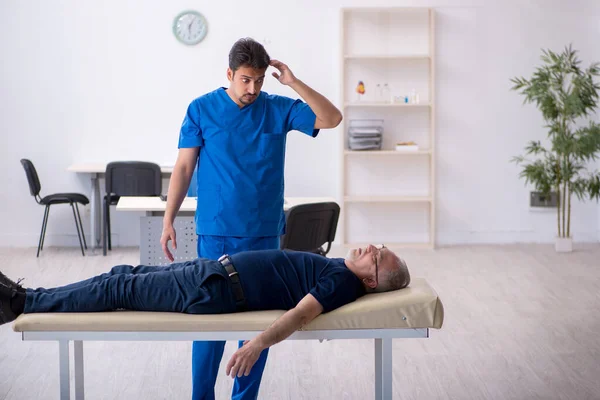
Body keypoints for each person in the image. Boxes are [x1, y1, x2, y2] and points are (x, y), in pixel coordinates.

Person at [160, 37, 343, 399]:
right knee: (208, 321)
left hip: (263, 233)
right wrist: (168, 220)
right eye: (245, 80)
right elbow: (183, 167)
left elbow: (332, 118)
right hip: (216, 230)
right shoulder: (201, 109)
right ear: (229, 74)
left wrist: (293, 82)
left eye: (258, 80)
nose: (252, 88)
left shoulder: (277, 107)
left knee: (258, 327)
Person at [0, 245, 410, 379]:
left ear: (371, 282)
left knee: (117, 287)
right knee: (122, 275)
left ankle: (21, 302)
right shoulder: (343, 269)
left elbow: (302, 315)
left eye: (377, 257)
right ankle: (29, 295)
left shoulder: (342, 283)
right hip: (214, 272)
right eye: (378, 246)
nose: (371, 248)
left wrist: (257, 345)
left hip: (212, 287)